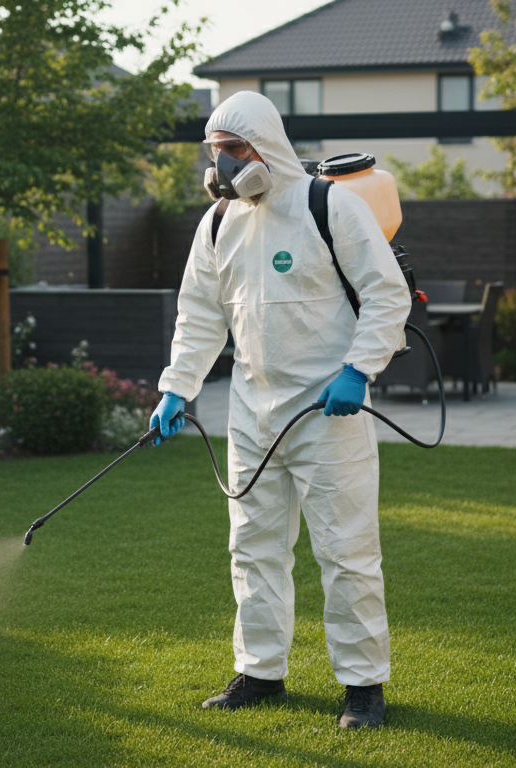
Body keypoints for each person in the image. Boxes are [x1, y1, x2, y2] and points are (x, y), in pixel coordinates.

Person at [148, 91, 410, 729]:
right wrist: (176, 387)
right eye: (216, 153)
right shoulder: (218, 224)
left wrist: (358, 369)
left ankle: (363, 685)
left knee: (346, 549)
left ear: (265, 146)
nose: (224, 166)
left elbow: (387, 295)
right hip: (251, 409)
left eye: (234, 150)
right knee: (253, 545)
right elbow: (200, 315)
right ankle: (260, 671)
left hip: (330, 412)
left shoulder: (330, 206)